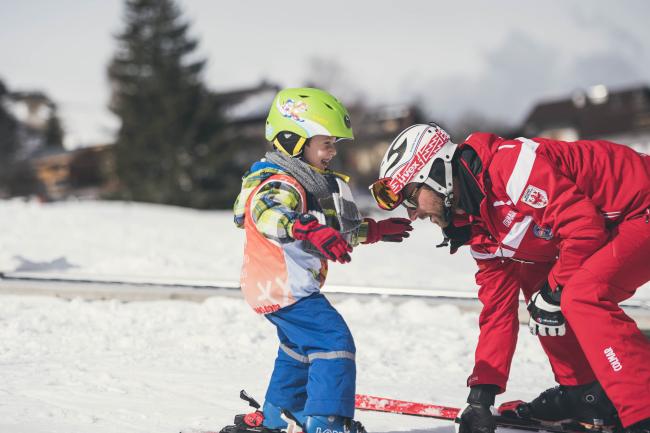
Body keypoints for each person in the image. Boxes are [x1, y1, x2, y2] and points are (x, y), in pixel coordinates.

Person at [369, 123, 650, 433]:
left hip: (640, 206)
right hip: (614, 225)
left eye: (411, 198)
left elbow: (583, 226)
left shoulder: (510, 166)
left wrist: (555, 290)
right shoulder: (480, 227)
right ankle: (584, 393)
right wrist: (481, 396)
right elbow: (497, 311)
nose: (413, 214)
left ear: (437, 174)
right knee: (537, 283)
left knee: (579, 295)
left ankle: (642, 408)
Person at [229, 88, 413, 433]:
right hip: (285, 288)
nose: (332, 151)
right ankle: (326, 422)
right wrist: (304, 227)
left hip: (276, 288)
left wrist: (371, 232)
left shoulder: (305, 182)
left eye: (334, 144)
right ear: (292, 140)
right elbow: (267, 213)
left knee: (298, 349)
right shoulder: (277, 182)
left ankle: (277, 414)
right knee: (333, 342)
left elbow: (326, 229)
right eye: (325, 143)